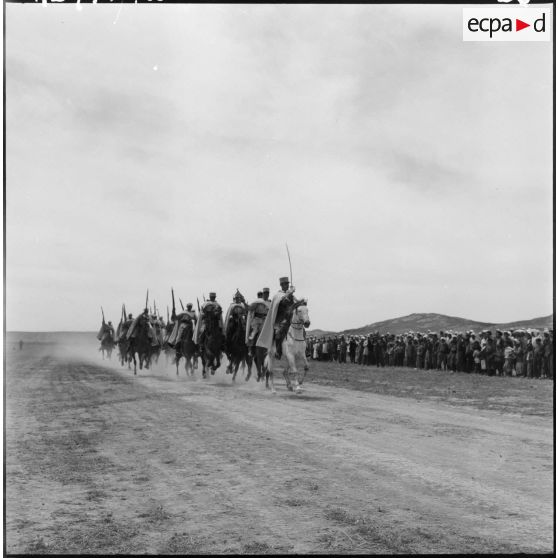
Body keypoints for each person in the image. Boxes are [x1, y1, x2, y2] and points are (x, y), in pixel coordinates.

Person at [256, 276, 298, 359]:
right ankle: (278, 351)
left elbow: (295, 304)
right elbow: (283, 300)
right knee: (278, 333)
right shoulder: (278, 295)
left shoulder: (291, 296)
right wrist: (290, 292)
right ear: (281, 285)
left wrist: (301, 302)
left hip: (290, 319)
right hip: (280, 319)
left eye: (287, 284)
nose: (286, 285)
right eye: (285, 284)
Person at [245, 288, 271, 356]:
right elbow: (250, 308)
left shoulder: (270, 302)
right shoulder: (258, 302)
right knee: (253, 333)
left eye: (267, 294)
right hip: (257, 320)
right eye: (265, 294)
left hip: (266, 320)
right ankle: (250, 349)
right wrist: (244, 303)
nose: (266, 295)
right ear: (263, 294)